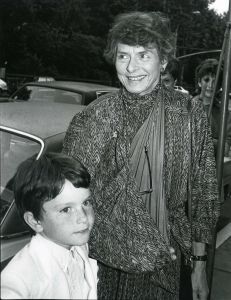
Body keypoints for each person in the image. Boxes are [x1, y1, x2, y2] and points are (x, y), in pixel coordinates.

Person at [63, 11, 219, 300]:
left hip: (169, 262)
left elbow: (203, 194)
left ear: (162, 62)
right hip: (109, 268)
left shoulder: (187, 114)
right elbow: (69, 199)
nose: (131, 67)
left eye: (143, 55)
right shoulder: (95, 117)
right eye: (123, 56)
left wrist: (199, 265)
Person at [1, 152, 98, 299]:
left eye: (86, 203)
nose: (83, 218)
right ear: (35, 222)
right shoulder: (21, 276)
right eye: (66, 210)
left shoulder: (77, 246)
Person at [193, 58, 231, 157]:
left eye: (215, 81)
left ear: (220, 85)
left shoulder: (225, 114)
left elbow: (225, 149)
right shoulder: (187, 107)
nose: (211, 85)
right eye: (206, 80)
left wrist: (205, 139)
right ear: (199, 82)